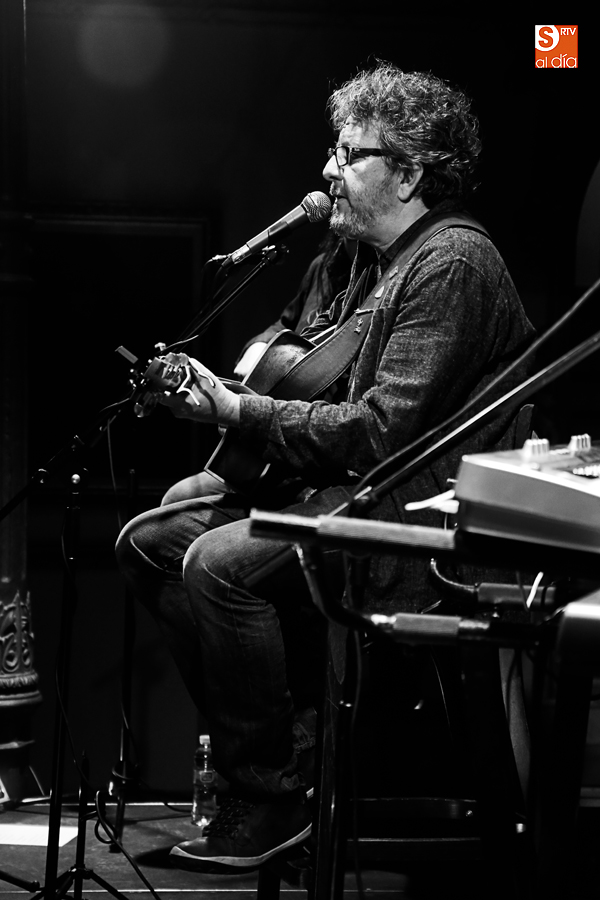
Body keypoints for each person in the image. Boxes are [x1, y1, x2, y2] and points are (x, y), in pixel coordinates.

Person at [115, 61, 536, 872]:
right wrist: (232, 396)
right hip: (358, 494)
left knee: (216, 563)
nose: (327, 168)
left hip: (420, 522)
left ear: (409, 173)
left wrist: (237, 412)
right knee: (150, 541)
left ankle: (269, 797)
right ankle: (292, 756)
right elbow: (327, 394)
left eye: (348, 153)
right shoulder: (378, 264)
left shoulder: (451, 264)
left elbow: (378, 435)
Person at [161, 232, 354, 505]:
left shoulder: (381, 280)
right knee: (178, 496)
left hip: (316, 451)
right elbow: (286, 325)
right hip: (271, 449)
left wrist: (234, 408)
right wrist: (259, 346)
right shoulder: (324, 267)